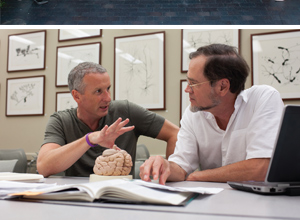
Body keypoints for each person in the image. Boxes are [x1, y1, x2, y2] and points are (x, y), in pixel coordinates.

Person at [140, 43, 284, 184]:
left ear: (222, 87)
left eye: (193, 84)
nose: (187, 90)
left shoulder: (263, 99)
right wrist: (166, 166)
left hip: (261, 203)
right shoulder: (193, 113)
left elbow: (261, 168)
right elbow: (181, 166)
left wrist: (197, 176)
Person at [37, 62, 179, 177]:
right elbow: (44, 167)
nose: (108, 98)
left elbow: (175, 134)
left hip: (121, 200)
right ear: (77, 96)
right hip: (79, 201)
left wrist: (171, 174)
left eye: (108, 89)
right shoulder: (61, 121)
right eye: (98, 91)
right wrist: (90, 139)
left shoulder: (125, 111)